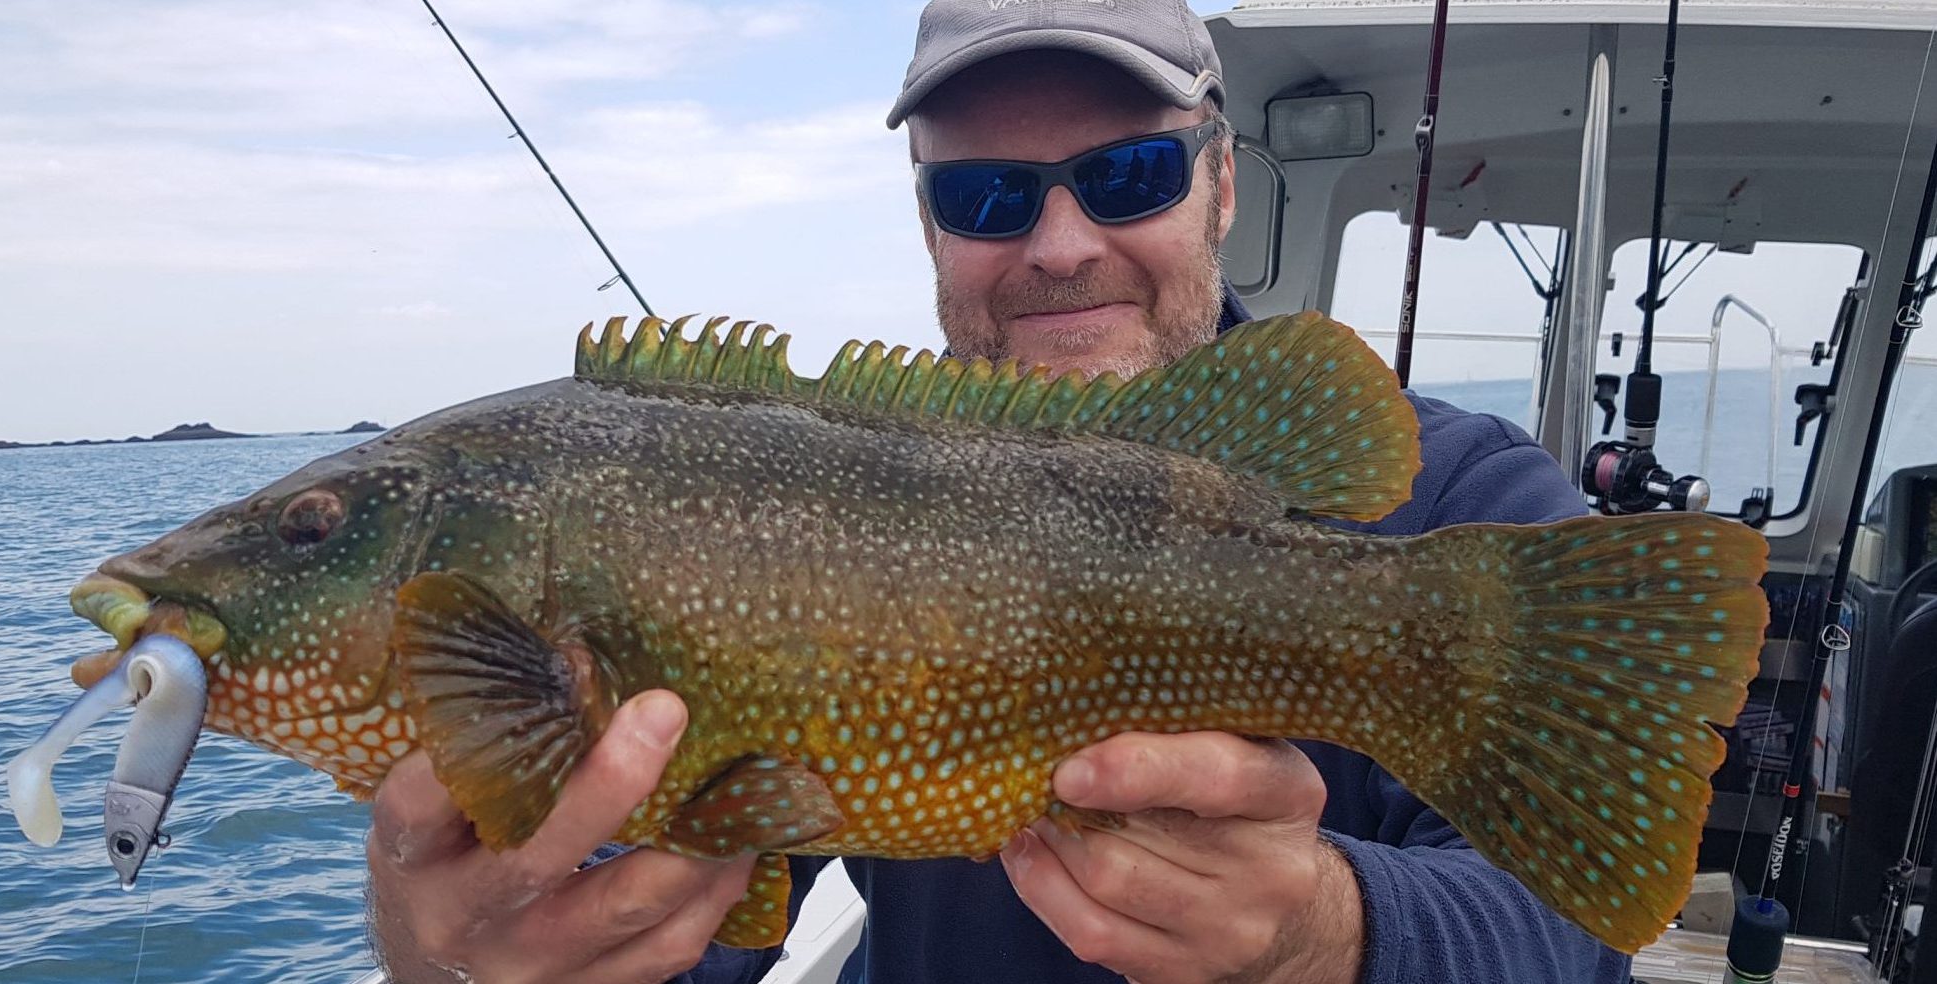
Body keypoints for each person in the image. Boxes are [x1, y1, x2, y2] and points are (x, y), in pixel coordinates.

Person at [365, 2, 1633, 982]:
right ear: (930, 230)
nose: (1063, 242)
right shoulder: (820, 516)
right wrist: (461, 944)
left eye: (1131, 173)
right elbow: (699, 934)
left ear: (1224, 184)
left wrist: (1326, 935)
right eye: (986, 196)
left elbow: (1584, 925)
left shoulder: (1460, 502)